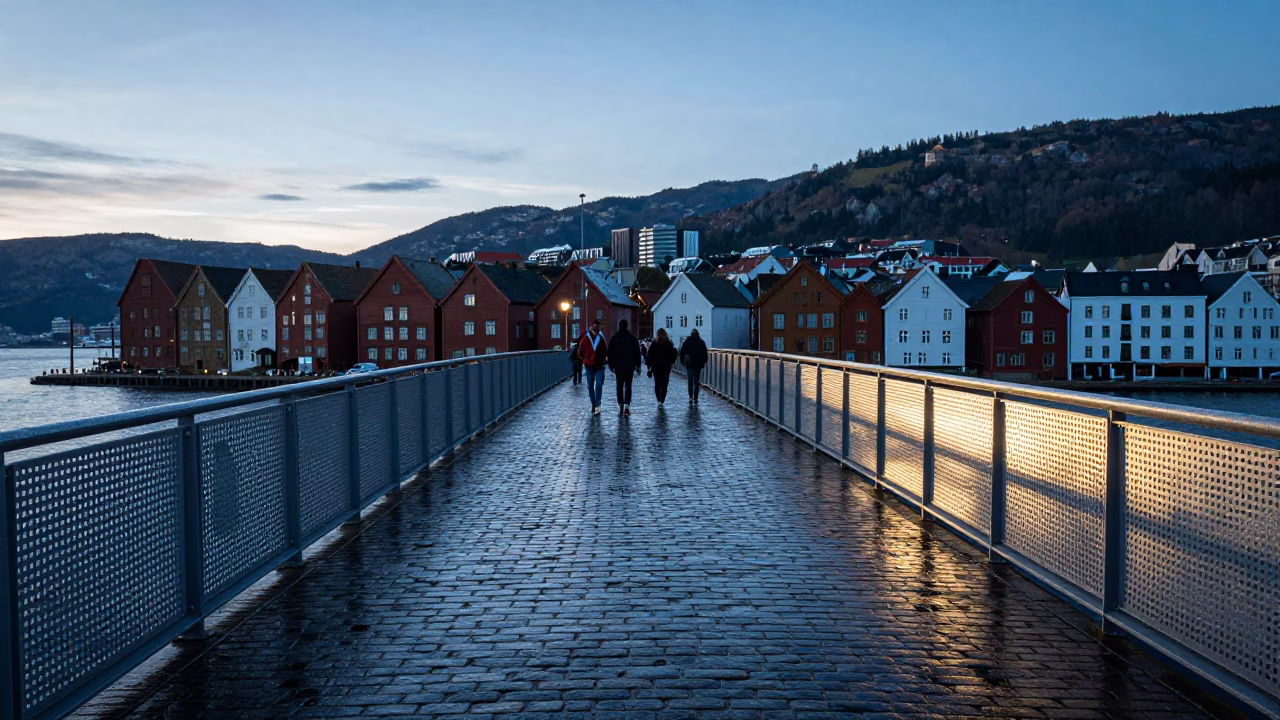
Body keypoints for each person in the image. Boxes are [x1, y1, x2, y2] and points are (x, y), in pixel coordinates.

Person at [606, 318, 642, 416]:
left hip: (618, 366)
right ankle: (626, 406)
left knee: (619, 386)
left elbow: (610, 353)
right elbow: (637, 353)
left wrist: (611, 366)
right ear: (627, 326)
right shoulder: (632, 338)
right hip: (629, 366)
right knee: (628, 386)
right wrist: (638, 365)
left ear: (619, 325)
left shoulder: (614, 338)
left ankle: (620, 404)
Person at [576, 320, 609, 414]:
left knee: (598, 385)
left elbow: (605, 350)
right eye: (595, 332)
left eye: (597, 332)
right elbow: (580, 351)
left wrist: (604, 359)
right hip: (589, 365)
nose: (596, 334)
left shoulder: (601, 338)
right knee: (590, 386)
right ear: (592, 331)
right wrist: (585, 357)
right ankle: (594, 404)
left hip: (599, 365)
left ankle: (597, 404)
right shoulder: (585, 338)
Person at [644, 328, 678, 406]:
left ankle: (658, 399)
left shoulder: (654, 343)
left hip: (656, 366)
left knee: (657, 383)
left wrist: (649, 366)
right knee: (665, 383)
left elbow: (649, 355)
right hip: (666, 366)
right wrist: (672, 362)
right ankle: (662, 398)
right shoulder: (668, 343)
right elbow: (674, 353)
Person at [679, 327, 708, 405]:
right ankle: (696, 397)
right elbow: (705, 354)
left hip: (689, 364)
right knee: (696, 381)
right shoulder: (701, 342)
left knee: (690, 381)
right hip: (698, 365)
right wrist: (703, 363)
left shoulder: (687, 341)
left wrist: (682, 362)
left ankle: (690, 396)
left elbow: (682, 352)